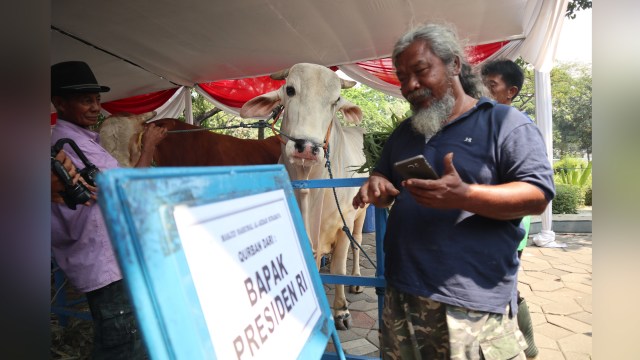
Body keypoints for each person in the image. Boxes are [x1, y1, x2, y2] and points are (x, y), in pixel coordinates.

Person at [352, 24, 555, 359]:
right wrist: (376, 185)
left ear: (455, 65)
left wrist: (466, 196)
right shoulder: (406, 132)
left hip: (472, 306)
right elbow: (384, 178)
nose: (410, 86)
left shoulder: (504, 123)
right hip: (402, 295)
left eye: (420, 71)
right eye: (402, 78)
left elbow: (538, 194)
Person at [50, 60, 167, 359]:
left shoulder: (82, 141)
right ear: (59, 104)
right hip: (104, 262)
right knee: (124, 343)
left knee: (115, 338)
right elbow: (129, 190)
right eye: (85, 100)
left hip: (105, 259)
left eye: (98, 100)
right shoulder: (70, 145)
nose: (95, 108)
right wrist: (149, 146)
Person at [481, 58, 539, 359]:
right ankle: (526, 345)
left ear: (510, 92)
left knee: (502, 291)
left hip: (510, 227)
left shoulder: (518, 127)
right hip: (489, 225)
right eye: (482, 84)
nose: (484, 91)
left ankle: (523, 345)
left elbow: (530, 188)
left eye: (491, 86)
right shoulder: (484, 122)